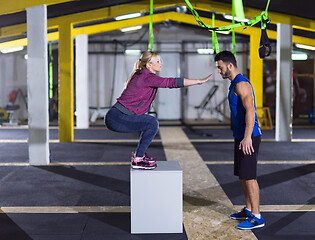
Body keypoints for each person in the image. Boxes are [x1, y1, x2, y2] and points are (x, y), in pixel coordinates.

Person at [105, 51, 213, 170]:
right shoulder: (146, 77)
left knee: (147, 123)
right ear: (149, 65)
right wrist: (198, 81)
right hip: (117, 118)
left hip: (117, 116)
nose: (161, 63)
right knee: (152, 123)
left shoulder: (142, 74)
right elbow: (170, 82)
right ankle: (138, 159)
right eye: (158, 61)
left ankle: (140, 155)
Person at [215, 51, 264, 230]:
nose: (219, 71)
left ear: (230, 65)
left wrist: (247, 137)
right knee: (243, 175)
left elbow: (250, 110)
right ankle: (249, 209)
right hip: (241, 136)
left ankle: (257, 216)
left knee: (249, 176)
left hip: (249, 137)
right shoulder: (233, 83)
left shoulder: (241, 83)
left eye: (220, 68)